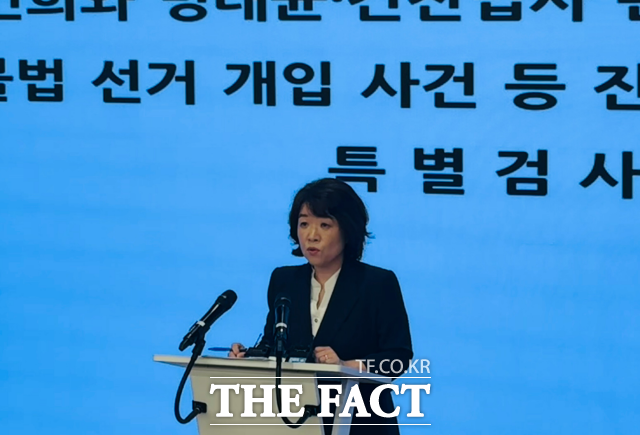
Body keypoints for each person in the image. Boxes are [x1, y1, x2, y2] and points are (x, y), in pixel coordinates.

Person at [229, 178, 413, 435]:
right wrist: (249, 356)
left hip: (359, 421)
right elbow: (276, 344)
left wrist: (347, 365)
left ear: (347, 230)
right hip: (297, 422)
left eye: (325, 225)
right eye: (304, 224)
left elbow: (399, 358)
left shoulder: (377, 283)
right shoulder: (284, 280)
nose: (311, 235)